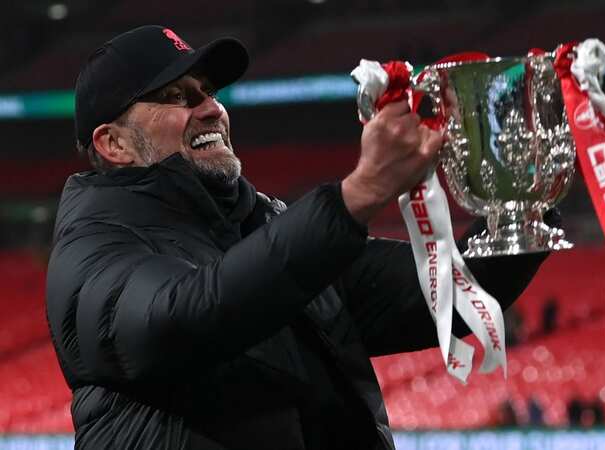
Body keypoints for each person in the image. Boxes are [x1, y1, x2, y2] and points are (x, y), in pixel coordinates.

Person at [45, 25, 555, 450]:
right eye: (177, 97)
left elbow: (452, 291)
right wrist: (357, 195)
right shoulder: (92, 248)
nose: (209, 109)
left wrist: (529, 184)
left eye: (208, 92)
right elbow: (187, 317)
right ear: (113, 143)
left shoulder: (263, 225)